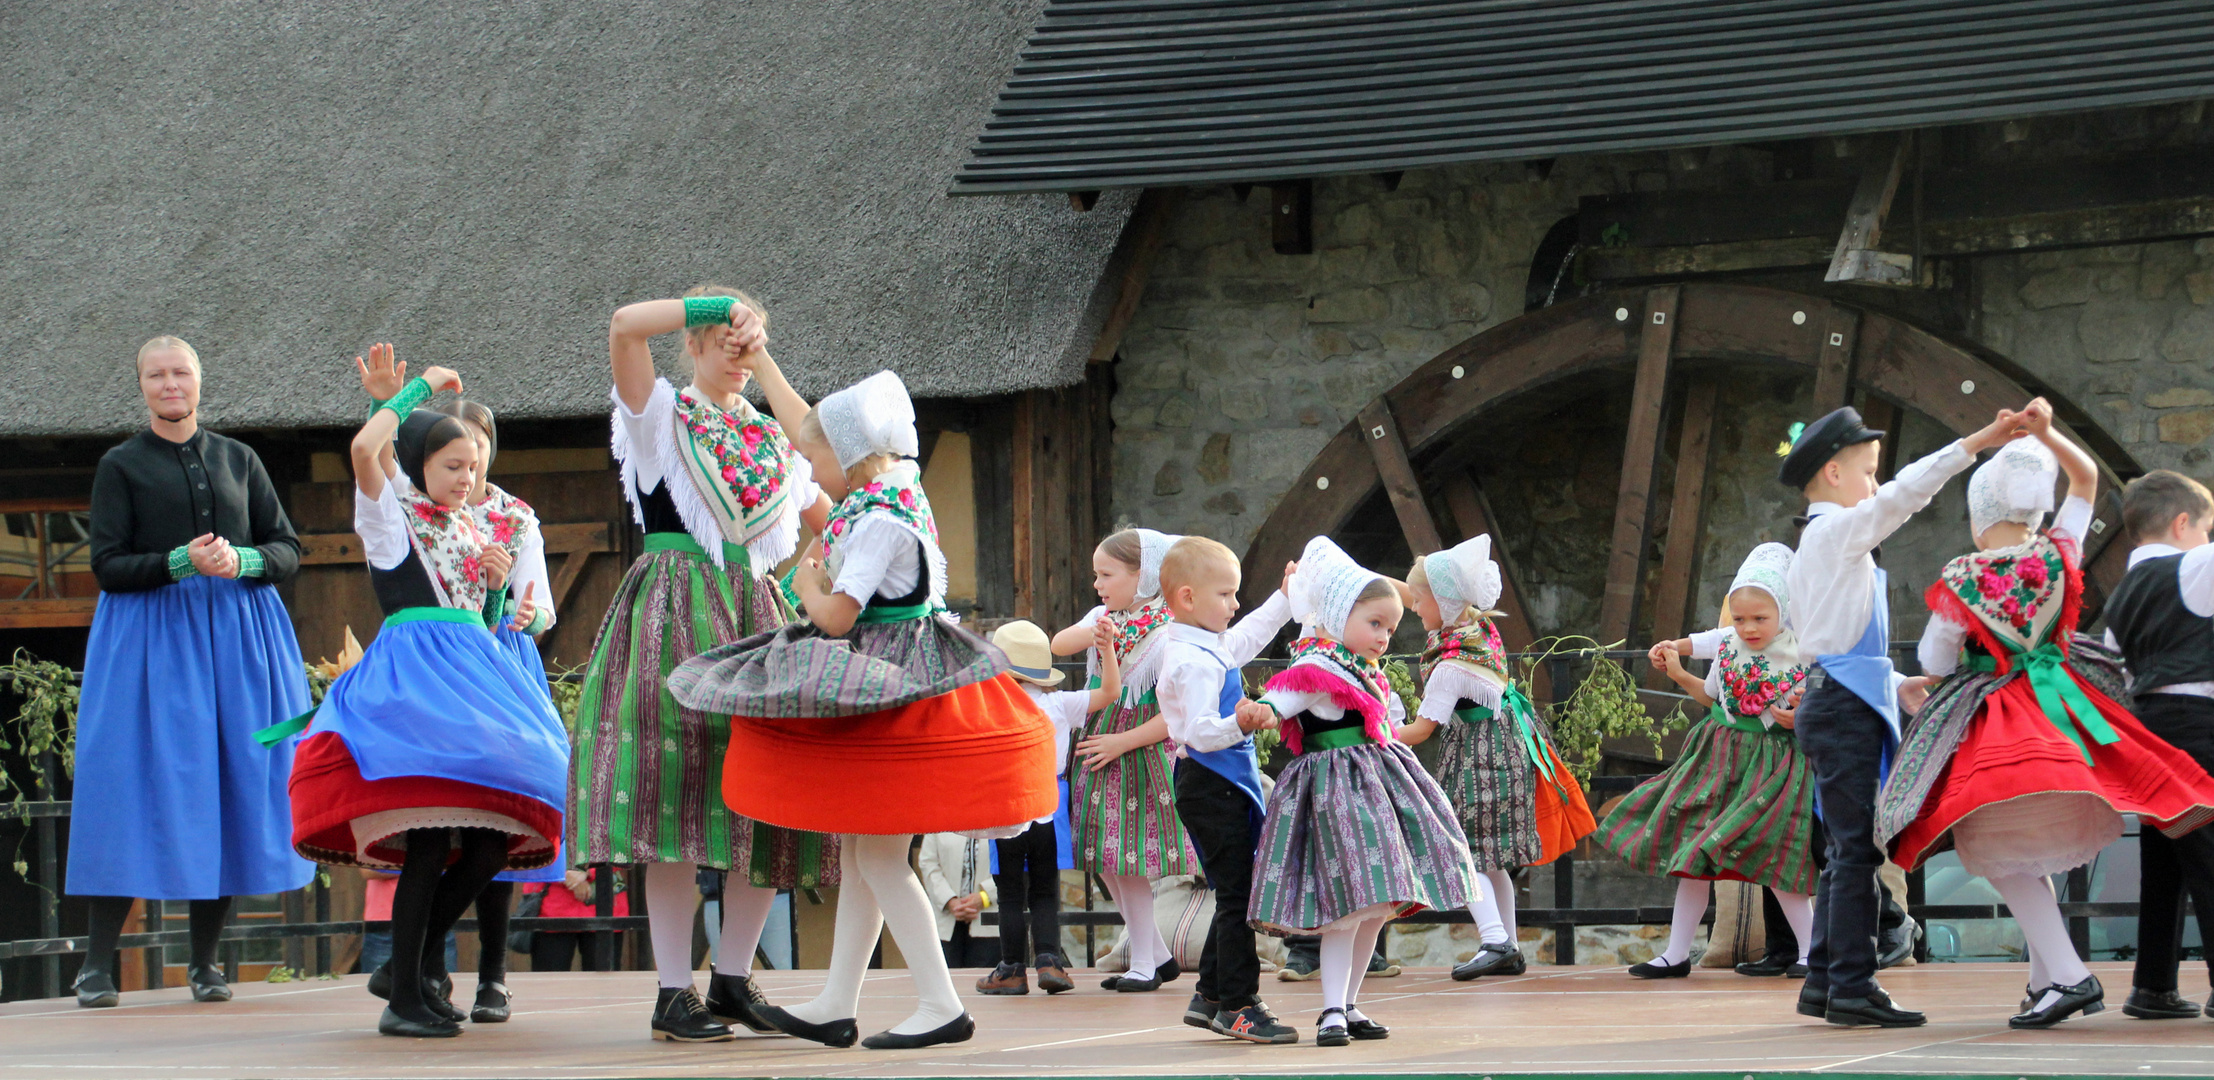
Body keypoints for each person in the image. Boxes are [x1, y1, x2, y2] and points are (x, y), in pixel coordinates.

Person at [669, 370, 1055, 1050]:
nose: (811, 470)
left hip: (892, 693)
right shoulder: (895, 490)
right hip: (895, 682)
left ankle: (940, 1004)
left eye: (818, 459)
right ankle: (837, 1002)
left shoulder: (877, 518)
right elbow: (815, 444)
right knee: (862, 849)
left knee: (878, 856)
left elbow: (841, 619)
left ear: (848, 456)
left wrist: (806, 585)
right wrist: (767, 366)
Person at [1880, 411, 2214, 1028]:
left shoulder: (1965, 575)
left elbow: (1933, 658)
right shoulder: (2059, 551)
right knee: (2029, 847)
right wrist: (2047, 431)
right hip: (2065, 716)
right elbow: (2085, 479)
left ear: (1980, 519)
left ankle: (2069, 976)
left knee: (1999, 848)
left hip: (2003, 722)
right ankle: (2045, 980)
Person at [576, 288, 838, 1041]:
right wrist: (713, 301)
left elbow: (839, 508)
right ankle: (670, 988)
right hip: (672, 610)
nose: (732, 343)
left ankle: (730, 977)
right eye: (719, 333)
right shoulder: (660, 416)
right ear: (691, 339)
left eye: (745, 335)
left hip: (756, 613)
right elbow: (624, 324)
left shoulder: (772, 440)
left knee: (763, 797)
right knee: (675, 797)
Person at [286, 351, 569, 1037]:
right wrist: (417, 390)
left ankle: (404, 974)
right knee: (428, 839)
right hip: (418, 681)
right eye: (453, 465)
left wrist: (500, 587)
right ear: (420, 467)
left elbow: (487, 611)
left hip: (475, 679)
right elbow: (366, 449)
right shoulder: (393, 517)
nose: (468, 478)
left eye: (474, 466)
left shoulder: (473, 524)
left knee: (490, 841)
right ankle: (405, 995)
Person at [67, 336, 317, 1008]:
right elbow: (107, 566)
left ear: (200, 382)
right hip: (152, 641)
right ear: (141, 385)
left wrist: (242, 562)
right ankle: (96, 965)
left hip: (237, 637)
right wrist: (178, 563)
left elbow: (288, 547)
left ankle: (206, 964)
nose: (170, 384)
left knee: (230, 781)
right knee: (129, 784)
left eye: (181, 373)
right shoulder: (120, 465)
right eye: (157, 374)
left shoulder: (241, 459)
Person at [1776, 401, 2027, 1028]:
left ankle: (1828, 982)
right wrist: (1979, 440)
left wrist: (1892, 681)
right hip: (1841, 707)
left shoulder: (1817, 542)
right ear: (1834, 474)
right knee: (1856, 851)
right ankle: (1853, 987)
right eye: (1868, 473)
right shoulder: (1836, 533)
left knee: (1845, 849)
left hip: (1838, 699)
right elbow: (1906, 495)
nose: (1876, 487)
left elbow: (1824, 640)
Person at [1246, 537, 1475, 1046]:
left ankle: (1349, 1005)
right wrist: (1260, 711)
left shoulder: (1367, 672)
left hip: (1377, 790)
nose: (1384, 637)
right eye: (1375, 624)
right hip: (1333, 794)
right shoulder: (1318, 669)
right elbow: (1281, 699)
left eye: (1390, 629)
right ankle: (1330, 1010)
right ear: (1339, 613)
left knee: (1375, 904)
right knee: (1345, 911)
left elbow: (1387, 725)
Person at [1601, 544, 1818, 978]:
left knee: (1776, 858)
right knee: (1694, 855)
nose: (1749, 627)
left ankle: (1812, 953)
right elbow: (1713, 694)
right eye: (1739, 619)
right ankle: (1677, 952)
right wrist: (1681, 673)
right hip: (1719, 755)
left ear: (1783, 613)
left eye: (1760, 618)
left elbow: (1819, 699)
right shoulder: (1729, 648)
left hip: (1773, 762)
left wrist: (1802, 715)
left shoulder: (1803, 652)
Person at [1399, 533, 1594, 980]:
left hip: (1479, 757)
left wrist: (1373, 729)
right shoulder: (1480, 630)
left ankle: (1494, 940)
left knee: (1460, 850)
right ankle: (1508, 945)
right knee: (1488, 856)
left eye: (1417, 600)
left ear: (1444, 602)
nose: (1412, 608)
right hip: (1502, 746)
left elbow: (1421, 730)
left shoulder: (1450, 665)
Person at [1152, 536, 1298, 1044]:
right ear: (1188, 598)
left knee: (1235, 891)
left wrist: (1283, 599)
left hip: (1221, 781)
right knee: (1238, 896)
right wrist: (1240, 722)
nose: (1236, 605)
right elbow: (1197, 732)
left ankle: (1212, 992)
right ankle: (1238, 1005)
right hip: (1212, 783)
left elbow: (1247, 637)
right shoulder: (1189, 660)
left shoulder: (1205, 643)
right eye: (1226, 595)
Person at [1053, 528, 1194, 991]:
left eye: (1107, 574)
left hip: (1139, 753)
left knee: (1128, 859)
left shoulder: (1167, 633)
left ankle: (1144, 963)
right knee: (1104, 856)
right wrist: (1098, 630)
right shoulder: (1106, 616)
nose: (1098, 584)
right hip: (1102, 745)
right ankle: (1154, 953)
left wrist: (1122, 742)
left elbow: (1175, 717)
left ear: (1143, 575)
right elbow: (1058, 645)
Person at [2103, 469, 2214, 1021]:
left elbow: (2117, 670)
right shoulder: (2195, 566)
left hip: (2146, 730)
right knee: (2210, 852)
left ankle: (2153, 986)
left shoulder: (2119, 597)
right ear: (2181, 522)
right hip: (2198, 723)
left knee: (2166, 859)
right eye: (2207, 527)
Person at [975, 619, 1121, 996]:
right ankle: (1049, 961)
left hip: (1005, 806)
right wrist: (1106, 649)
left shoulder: (988, 709)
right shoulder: (1058, 704)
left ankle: (1010, 969)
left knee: (1009, 892)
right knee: (1044, 890)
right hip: (1047, 804)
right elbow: (1110, 692)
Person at [919, 833, 1001, 969]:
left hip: (989, 923)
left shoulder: (1001, 822)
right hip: (946, 922)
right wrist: (949, 900)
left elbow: (1013, 865)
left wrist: (984, 897)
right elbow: (928, 863)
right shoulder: (939, 819)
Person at [523, 868, 628, 972]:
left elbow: (624, 854)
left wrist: (585, 873)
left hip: (600, 900)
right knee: (551, 982)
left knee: (603, 982)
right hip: (553, 903)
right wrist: (566, 875)